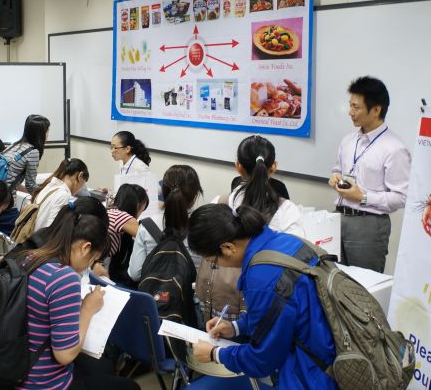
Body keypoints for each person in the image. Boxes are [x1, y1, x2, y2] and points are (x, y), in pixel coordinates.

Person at [188, 204, 336, 389]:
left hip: (311, 375)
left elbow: (261, 360)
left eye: (213, 262)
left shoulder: (262, 278)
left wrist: (214, 354)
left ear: (227, 247)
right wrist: (235, 327)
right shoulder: (285, 242)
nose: (216, 266)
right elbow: (281, 314)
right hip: (331, 353)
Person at [19, 197, 139, 390]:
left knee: (99, 369)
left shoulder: (33, 256)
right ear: (85, 247)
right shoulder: (64, 277)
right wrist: (87, 309)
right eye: (93, 259)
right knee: (130, 387)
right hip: (45, 383)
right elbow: (65, 355)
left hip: (19, 367)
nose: (88, 266)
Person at [200, 135, 305, 324]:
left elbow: (205, 250)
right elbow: (297, 265)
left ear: (238, 166)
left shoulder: (219, 203)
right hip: (265, 308)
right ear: (273, 167)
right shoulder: (287, 210)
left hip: (217, 306)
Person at [328, 76, 410, 272]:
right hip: (338, 218)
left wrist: (363, 197)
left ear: (376, 110)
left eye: (356, 107)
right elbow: (338, 169)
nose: (350, 112)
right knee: (333, 280)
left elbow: (402, 196)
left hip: (369, 225)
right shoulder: (348, 140)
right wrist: (335, 177)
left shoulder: (394, 148)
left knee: (364, 285)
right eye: (350, 105)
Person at [128, 165, 202, 281]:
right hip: (189, 291)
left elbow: (135, 274)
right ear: (196, 195)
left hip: (151, 291)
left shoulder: (147, 225)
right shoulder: (204, 228)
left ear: (163, 192)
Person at [106, 184, 148, 287]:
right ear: (137, 205)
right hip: (106, 269)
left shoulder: (112, 211)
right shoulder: (122, 217)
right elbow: (148, 237)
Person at [32, 158, 89, 232]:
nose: (80, 189)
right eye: (82, 184)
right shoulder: (63, 195)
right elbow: (53, 230)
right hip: (43, 237)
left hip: (34, 235)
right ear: (80, 176)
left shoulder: (49, 186)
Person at [5, 114, 49, 194]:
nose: (48, 134)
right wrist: (46, 195)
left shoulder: (14, 146)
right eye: (47, 130)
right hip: (5, 197)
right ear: (41, 133)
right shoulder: (32, 152)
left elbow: (13, 181)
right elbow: (30, 186)